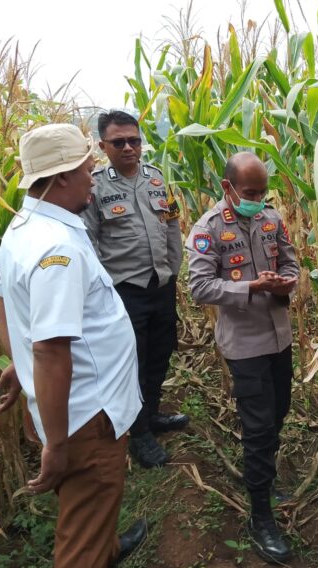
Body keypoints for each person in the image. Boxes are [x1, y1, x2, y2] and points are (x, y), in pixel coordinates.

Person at [0, 123, 147, 568]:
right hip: (85, 419)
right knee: (81, 534)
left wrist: (17, 366)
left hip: (71, 410)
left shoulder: (24, 226)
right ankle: (94, 553)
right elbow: (52, 350)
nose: (93, 178)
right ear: (61, 178)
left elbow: (1, 301)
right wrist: (57, 444)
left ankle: (108, 545)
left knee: (91, 505)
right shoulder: (55, 248)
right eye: (86, 169)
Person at [187, 152, 299, 564]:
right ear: (227, 187)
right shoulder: (208, 229)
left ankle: (265, 481)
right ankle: (260, 515)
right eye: (249, 192)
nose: (257, 198)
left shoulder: (271, 219)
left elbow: (290, 261)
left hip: (279, 337)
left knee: (279, 412)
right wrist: (250, 287)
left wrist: (288, 283)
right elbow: (199, 287)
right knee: (257, 427)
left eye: (262, 192)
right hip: (244, 343)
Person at [81, 111, 188, 468]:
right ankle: (138, 433)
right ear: (103, 146)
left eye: (134, 140)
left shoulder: (157, 179)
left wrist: (174, 269)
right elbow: (89, 243)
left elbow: (172, 224)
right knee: (132, 364)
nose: (129, 147)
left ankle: (152, 414)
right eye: (119, 142)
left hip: (161, 285)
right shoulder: (95, 187)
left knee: (159, 355)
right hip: (124, 291)